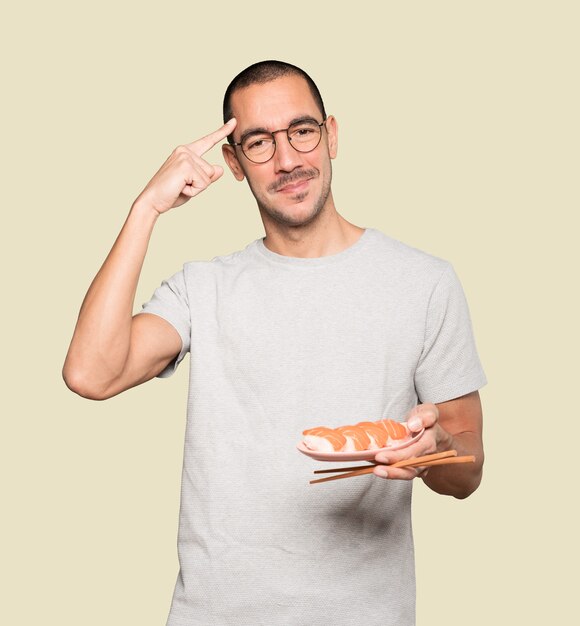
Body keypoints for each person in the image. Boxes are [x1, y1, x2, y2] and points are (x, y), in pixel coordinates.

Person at [63, 60, 486, 626]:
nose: (287, 160)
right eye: (258, 143)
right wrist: (147, 209)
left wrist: (432, 447)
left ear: (331, 135)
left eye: (302, 131)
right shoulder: (201, 289)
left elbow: (469, 465)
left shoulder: (424, 282)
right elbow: (92, 374)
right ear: (234, 164)